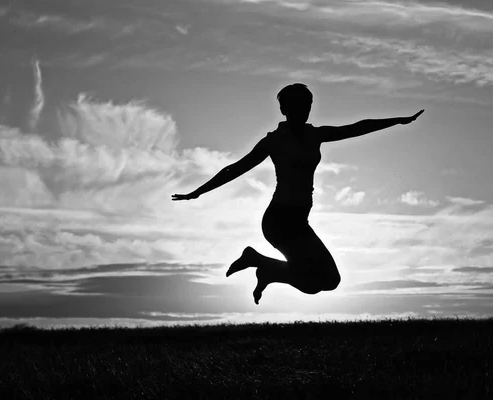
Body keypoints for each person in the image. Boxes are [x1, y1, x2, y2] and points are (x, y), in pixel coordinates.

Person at [172, 83, 424, 304]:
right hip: (279, 221)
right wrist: (197, 192)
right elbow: (236, 168)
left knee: (324, 282)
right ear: (284, 109)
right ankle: (258, 261)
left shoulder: (316, 135)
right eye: (298, 105)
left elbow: (356, 127)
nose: (305, 110)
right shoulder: (274, 140)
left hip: (299, 221)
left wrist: (398, 121)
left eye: (308, 105)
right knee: (316, 280)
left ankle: (265, 267)